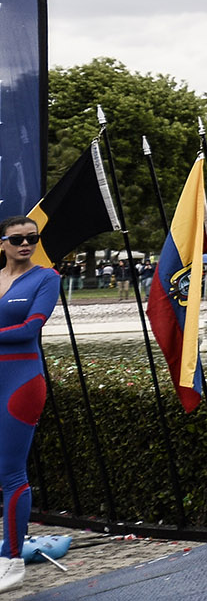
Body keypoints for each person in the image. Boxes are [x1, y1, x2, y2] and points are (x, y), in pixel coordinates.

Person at [0, 217, 58, 592]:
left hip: (21, 383)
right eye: (18, 239)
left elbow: (29, 329)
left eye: (32, 238)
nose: (26, 244)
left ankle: (12, 559)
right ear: (2, 243)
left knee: (11, 473)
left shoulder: (46, 278)